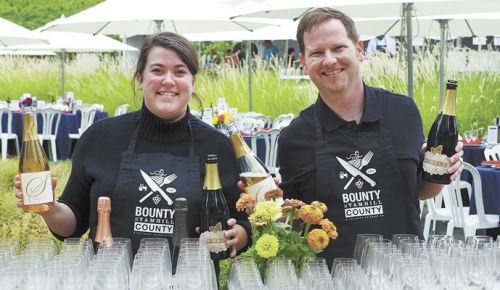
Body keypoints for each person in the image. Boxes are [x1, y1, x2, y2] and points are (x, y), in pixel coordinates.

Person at [14, 32, 250, 259]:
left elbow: (241, 226)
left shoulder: (217, 147)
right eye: (157, 70)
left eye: (180, 72)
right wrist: (50, 209)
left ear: (193, 81)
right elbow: (72, 225)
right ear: (140, 78)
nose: (168, 80)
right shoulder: (99, 138)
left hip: (189, 281)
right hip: (109, 280)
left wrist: (236, 236)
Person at [277, 8, 464, 266]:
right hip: (334, 280)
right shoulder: (294, 138)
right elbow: (295, 222)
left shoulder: (403, 112)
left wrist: (444, 173)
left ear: (359, 49)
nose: (329, 60)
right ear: (303, 61)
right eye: (317, 53)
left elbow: (419, 190)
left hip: (406, 272)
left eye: (338, 48)